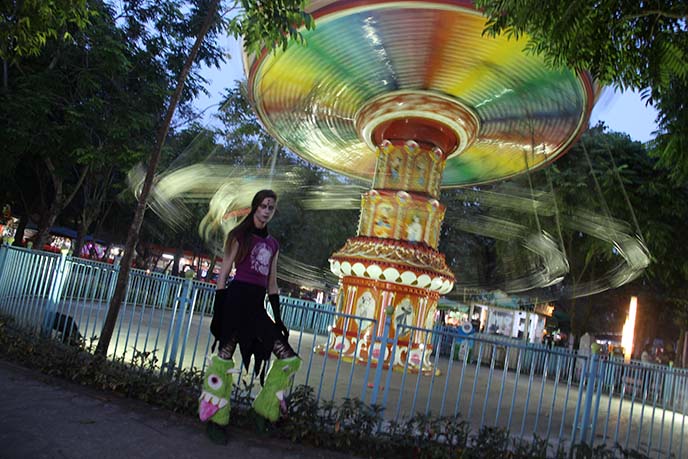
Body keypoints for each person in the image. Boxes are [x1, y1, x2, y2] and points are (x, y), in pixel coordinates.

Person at [198, 189, 300, 444]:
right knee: (223, 358)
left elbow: (272, 284)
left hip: (256, 307)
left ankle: (264, 409)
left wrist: (278, 318)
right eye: (264, 206)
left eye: (271, 208)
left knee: (289, 358)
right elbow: (223, 274)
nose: (267, 211)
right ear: (255, 207)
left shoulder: (273, 244)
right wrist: (218, 310)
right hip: (234, 302)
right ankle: (215, 419)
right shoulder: (238, 236)